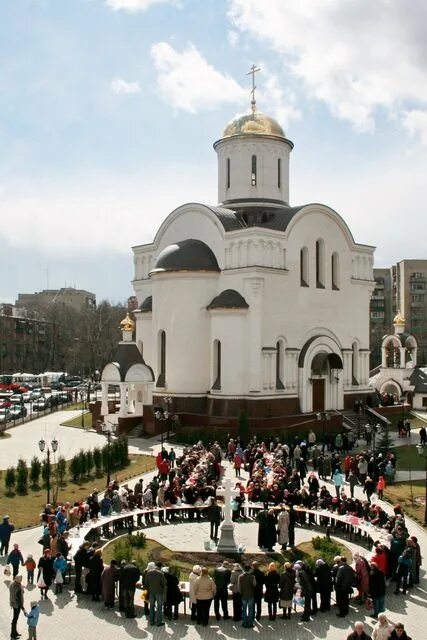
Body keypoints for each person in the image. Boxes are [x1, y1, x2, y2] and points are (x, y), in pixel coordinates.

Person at [145, 561, 167, 626]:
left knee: (151, 607)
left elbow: (146, 583)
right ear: (160, 567)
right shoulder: (160, 573)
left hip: (151, 592)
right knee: (159, 607)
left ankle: (151, 621)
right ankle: (158, 622)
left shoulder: (149, 572)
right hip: (159, 593)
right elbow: (164, 583)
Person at [238, 564, 256, 628]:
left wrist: (241, 593)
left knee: (244, 609)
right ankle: (250, 623)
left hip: (243, 595)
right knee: (251, 610)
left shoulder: (240, 577)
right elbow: (254, 585)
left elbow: (239, 587)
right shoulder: (252, 576)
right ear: (249, 569)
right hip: (251, 595)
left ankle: (244, 623)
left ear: (244, 569)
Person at [10, 575, 25, 640]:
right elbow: (19, 601)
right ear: (18, 580)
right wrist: (23, 609)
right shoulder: (18, 588)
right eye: (21, 579)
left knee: (14, 619)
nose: (21, 580)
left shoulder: (12, 584)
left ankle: (14, 632)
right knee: (15, 619)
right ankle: (13, 634)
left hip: (13, 604)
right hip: (17, 606)